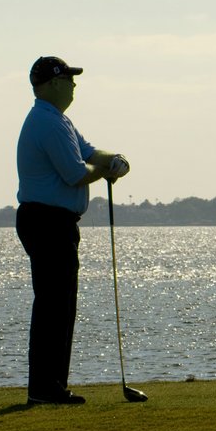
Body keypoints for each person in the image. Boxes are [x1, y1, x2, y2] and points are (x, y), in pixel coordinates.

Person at [16, 56, 130, 405]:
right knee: (54, 304)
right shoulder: (46, 122)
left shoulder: (58, 120)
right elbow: (76, 173)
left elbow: (91, 152)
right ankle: (44, 388)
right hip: (46, 221)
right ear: (51, 84)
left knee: (61, 304)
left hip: (54, 221)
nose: (73, 84)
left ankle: (51, 385)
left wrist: (114, 159)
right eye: (67, 78)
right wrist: (107, 170)